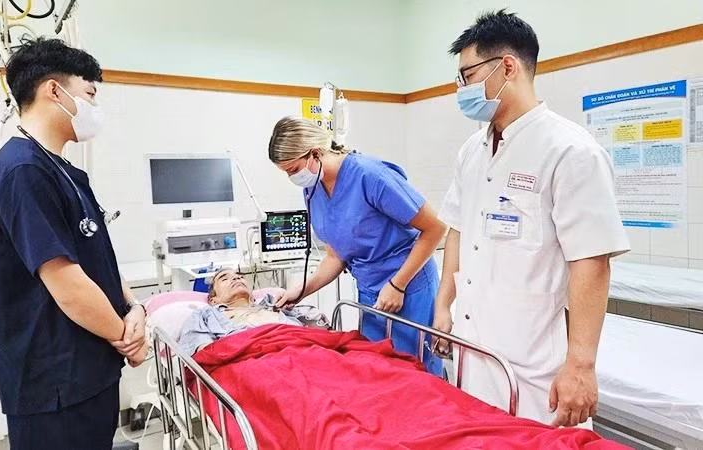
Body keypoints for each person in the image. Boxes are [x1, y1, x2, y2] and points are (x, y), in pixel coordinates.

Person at [434, 10, 630, 427]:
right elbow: (458, 230)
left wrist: (581, 365)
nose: (461, 89)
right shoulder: (472, 151)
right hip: (473, 354)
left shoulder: (570, 151)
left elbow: (591, 261)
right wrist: (442, 306)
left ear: (507, 66)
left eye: (467, 76)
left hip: (534, 369)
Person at [0, 38, 147, 450]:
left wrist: (135, 307)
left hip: (90, 373)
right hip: (55, 382)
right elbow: (67, 284)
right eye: (90, 94)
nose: (95, 108)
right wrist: (125, 336)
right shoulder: (21, 170)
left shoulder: (66, 172)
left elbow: (97, 260)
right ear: (54, 91)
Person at [268, 117, 448, 374]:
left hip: (410, 287)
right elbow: (335, 256)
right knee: (379, 371)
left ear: (315, 154)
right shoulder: (313, 187)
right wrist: (302, 290)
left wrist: (398, 284)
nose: (291, 178)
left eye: (292, 170)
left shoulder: (370, 175)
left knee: (418, 373)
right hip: (370, 292)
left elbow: (435, 228)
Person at [179, 269, 329, 354]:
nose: (236, 279)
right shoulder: (206, 315)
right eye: (225, 279)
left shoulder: (274, 303)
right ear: (213, 300)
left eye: (239, 276)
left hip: (303, 350)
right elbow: (205, 352)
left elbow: (319, 325)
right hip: (254, 361)